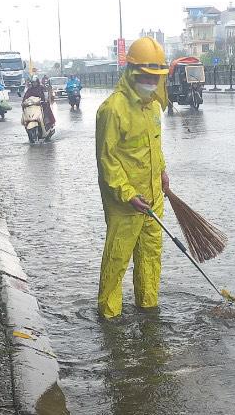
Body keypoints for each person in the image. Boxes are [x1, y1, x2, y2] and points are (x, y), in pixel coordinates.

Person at [96, 36, 170, 318]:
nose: (152, 83)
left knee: (150, 257)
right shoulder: (112, 109)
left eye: (157, 77)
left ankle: (148, 307)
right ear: (132, 73)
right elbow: (107, 160)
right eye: (147, 77)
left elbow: (154, 145)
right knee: (117, 259)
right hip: (125, 203)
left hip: (153, 199)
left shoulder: (152, 106)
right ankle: (109, 316)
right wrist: (128, 194)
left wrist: (162, 172)